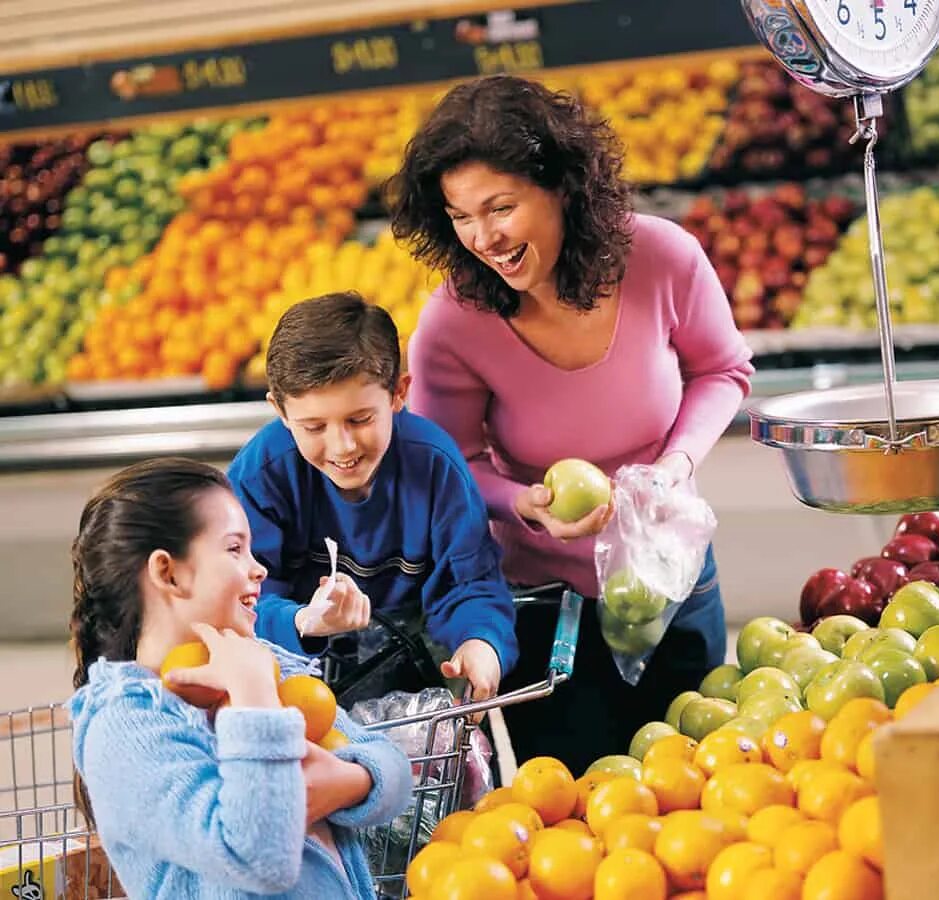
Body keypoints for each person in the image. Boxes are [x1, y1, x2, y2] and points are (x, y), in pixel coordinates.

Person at [388, 74, 754, 774]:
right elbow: (449, 461)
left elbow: (723, 371)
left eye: (501, 207)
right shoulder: (452, 322)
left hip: (669, 574)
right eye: (460, 216)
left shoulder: (662, 257)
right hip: (543, 605)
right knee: (575, 805)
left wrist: (674, 466)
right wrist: (520, 504)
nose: (483, 237)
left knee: (704, 783)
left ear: (560, 184)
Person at [68, 458, 413, 899]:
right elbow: (257, 858)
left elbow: (393, 768)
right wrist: (252, 694)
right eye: (234, 549)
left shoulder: (267, 665)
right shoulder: (128, 727)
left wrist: (350, 782)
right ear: (167, 572)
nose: (259, 568)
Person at [225, 292, 519, 705]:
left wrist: (480, 643)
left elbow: (469, 584)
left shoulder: (435, 466)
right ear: (280, 411)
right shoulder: (261, 474)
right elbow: (234, 598)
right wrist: (303, 620)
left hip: (415, 683)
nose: (342, 446)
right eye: (314, 427)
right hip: (290, 689)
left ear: (399, 393)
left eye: (360, 419)